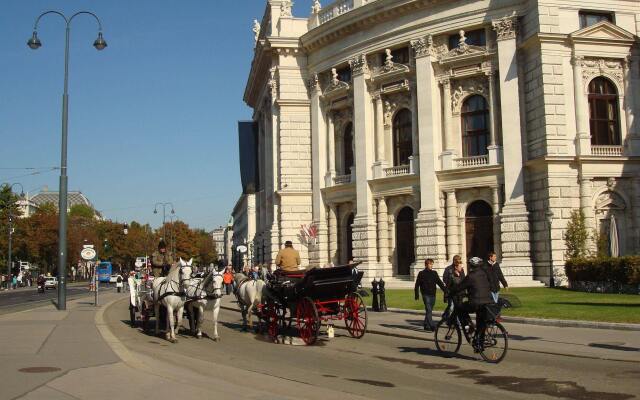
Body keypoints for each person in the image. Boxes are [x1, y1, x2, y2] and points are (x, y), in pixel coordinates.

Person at [451, 257, 494, 351]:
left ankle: (468, 327)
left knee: (459, 308)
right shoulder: (484, 274)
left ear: (471, 266)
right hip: (487, 301)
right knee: (481, 322)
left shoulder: (471, 276)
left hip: (476, 302)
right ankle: (479, 344)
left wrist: (450, 292)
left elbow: (460, 286)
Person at [414, 258, 446, 331]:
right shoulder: (421, 273)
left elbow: (439, 283)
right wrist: (416, 294)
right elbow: (417, 285)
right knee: (428, 309)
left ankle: (426, 324)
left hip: (433, 294)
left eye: (432, 264)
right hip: (425, 294)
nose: (431, 265)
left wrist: (445, 290)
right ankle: (432, 325)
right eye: (430, 264)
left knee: (429, 310)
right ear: (426, 265)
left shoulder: (434, 273)